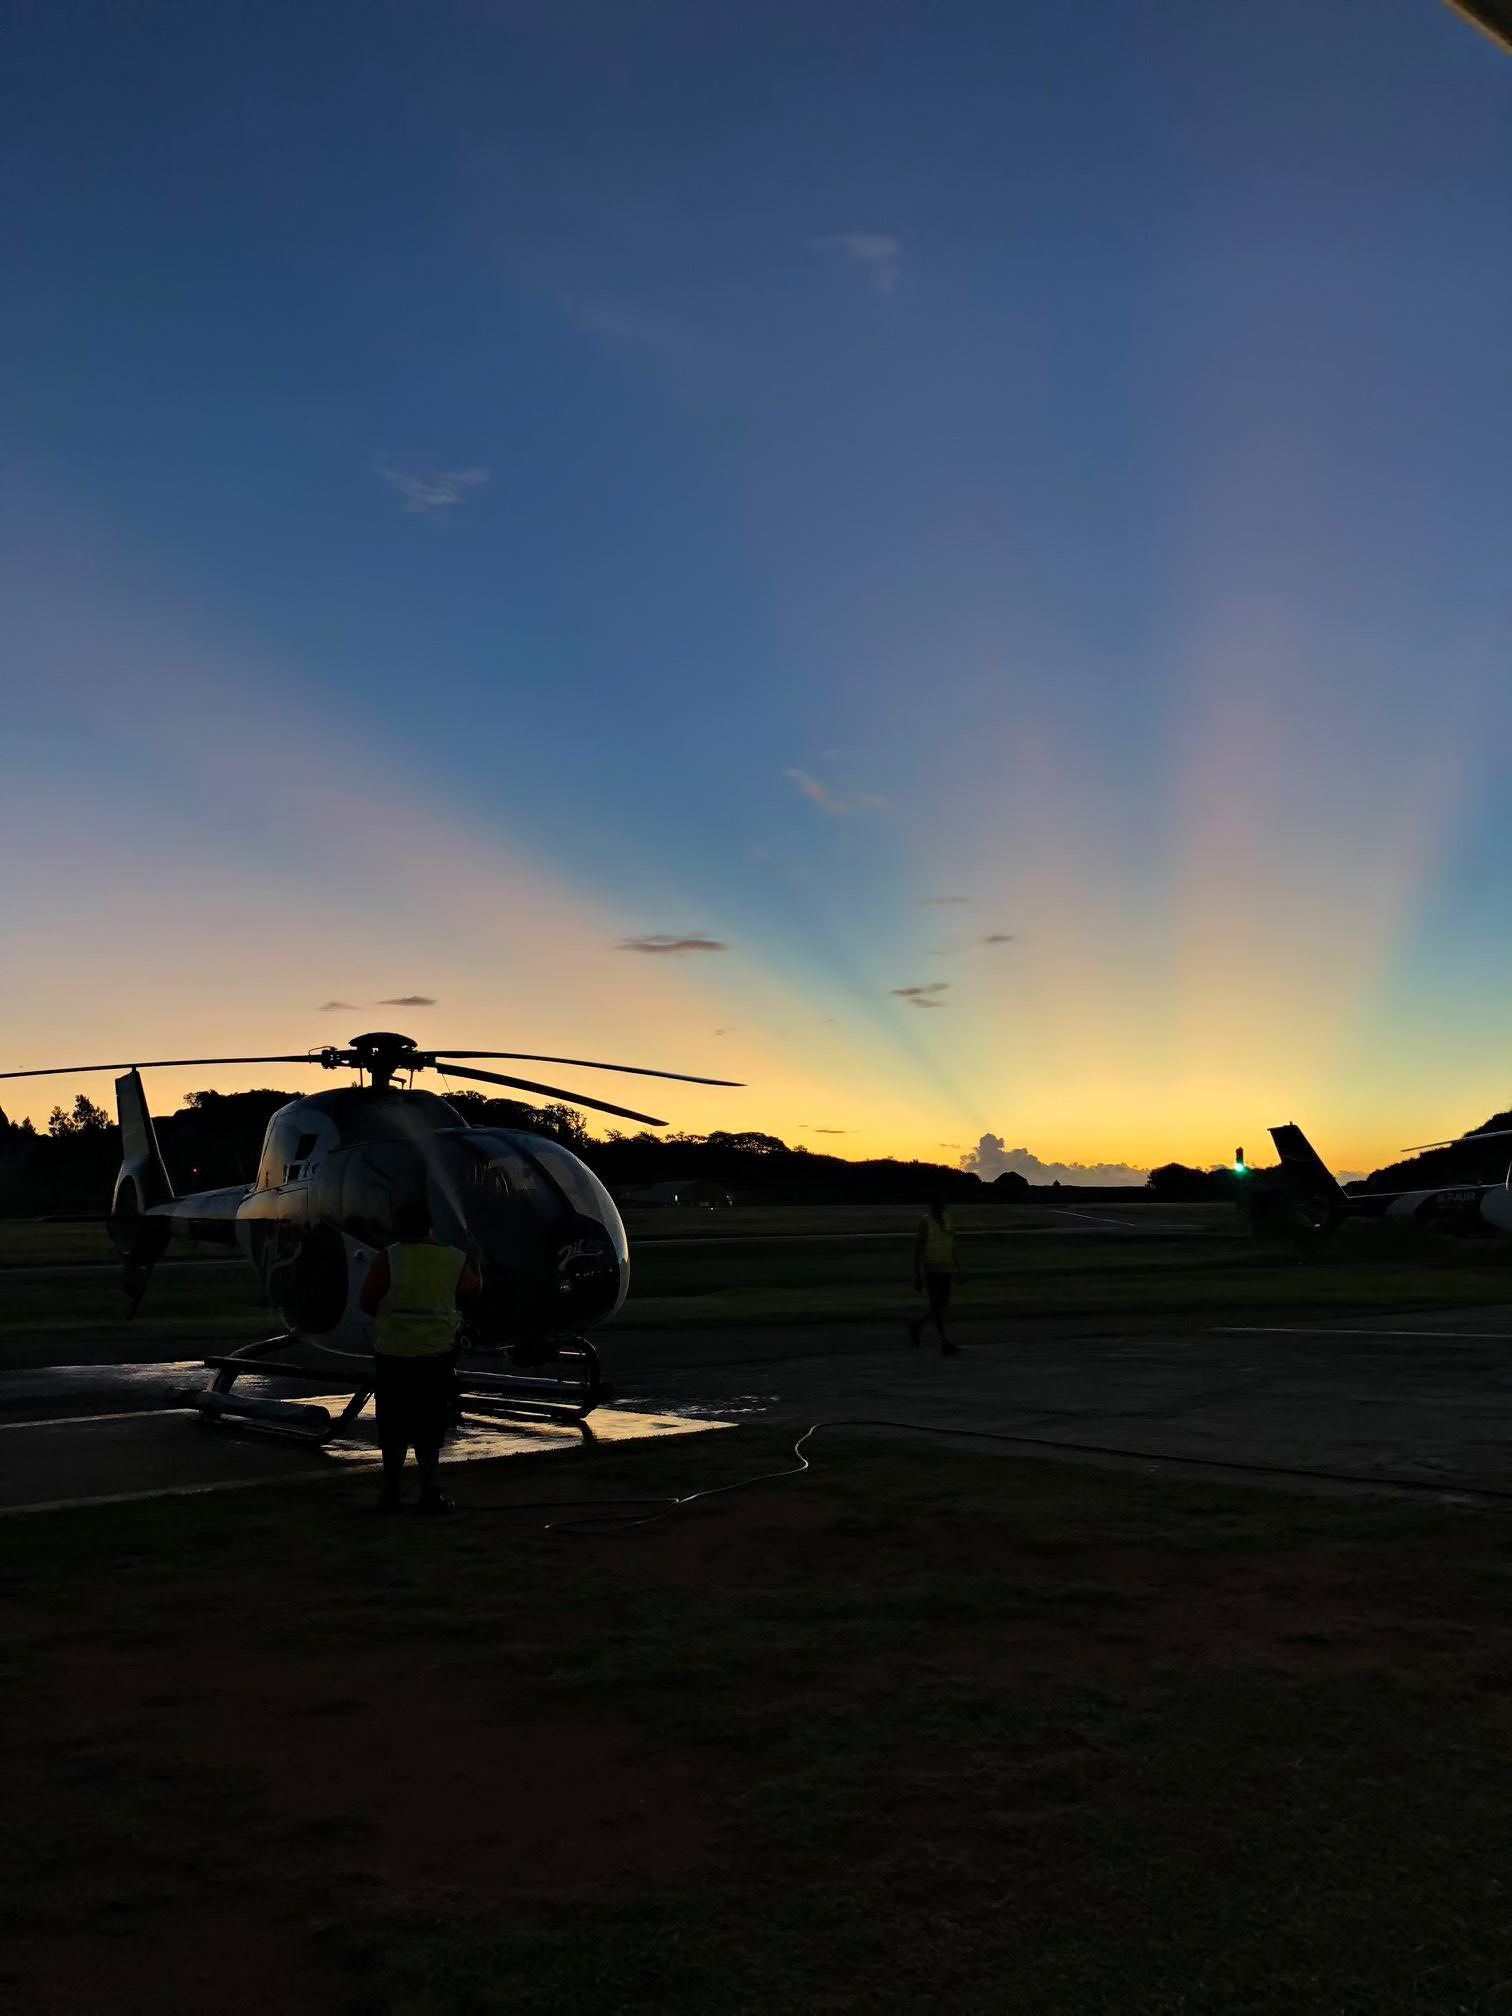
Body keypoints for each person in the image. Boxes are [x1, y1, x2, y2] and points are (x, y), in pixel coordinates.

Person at [360, 1198, 481, 1515]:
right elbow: (470, 1294)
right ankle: (430, 1488)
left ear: (399, 1226)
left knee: (393, 1425)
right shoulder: (453, 1259)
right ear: (431, 1225)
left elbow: (368, 1301)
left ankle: (391, 1491)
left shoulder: (388, 1259)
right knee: (430, 1425)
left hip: (393, 1355)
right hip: (435, 1355)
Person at [908, 1198, 962, 1355]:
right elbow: (918, 1248)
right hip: (932, 1269)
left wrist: (958, 1269)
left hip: (946, 1269)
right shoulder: (926, 1222)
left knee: (939, 1305)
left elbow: (951, 1246)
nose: (941, 1208)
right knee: (937, 1305)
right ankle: (944, 1342)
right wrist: (917, 1273)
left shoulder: (947, 1219)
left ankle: (917, 1326)